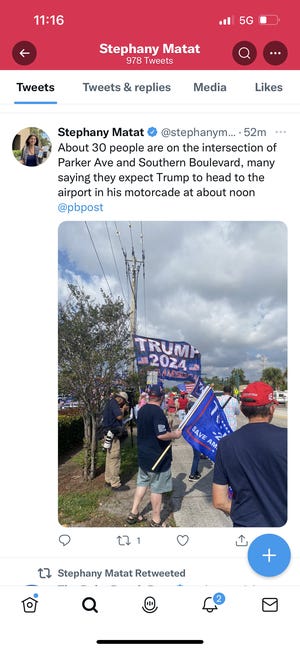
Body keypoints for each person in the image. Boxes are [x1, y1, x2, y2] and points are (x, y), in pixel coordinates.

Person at [212, 381, 287, 527]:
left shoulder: (226, 444)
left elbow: (219, 501)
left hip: (245, 528)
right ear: (271, 409)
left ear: (242, 408)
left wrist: (245, 513)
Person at [126, 384, 182, 527]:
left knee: (142, 483)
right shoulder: (157, 412)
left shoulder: (142, 409)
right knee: (157, 488)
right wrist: (175, 434)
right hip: (157, 458)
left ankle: (133, 512)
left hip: (144, 456)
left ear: (150, 396)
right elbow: (161, 435)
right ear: (162, 398)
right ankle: (156, 520)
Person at [102, 391, 130, 491]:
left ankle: (108, 480)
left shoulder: (110, 402)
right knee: (115, 458)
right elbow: (119, 416)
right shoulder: (114, 403)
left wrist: (123, 410)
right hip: (113, 435)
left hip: (109, 434)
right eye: (123, 402)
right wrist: (123, 409)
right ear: (121, 399)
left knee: (109, 457)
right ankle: (115, 484)